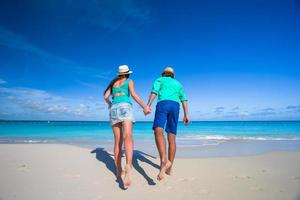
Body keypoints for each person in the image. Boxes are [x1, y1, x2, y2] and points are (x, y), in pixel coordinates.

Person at [104, 65, 151, 189]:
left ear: (119, 74)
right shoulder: (129, 81)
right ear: (127, 73)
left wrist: (110, 104)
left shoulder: (113, 83)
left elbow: (105, 97)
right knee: (128, 136)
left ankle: (118, 169)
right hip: (125, 106)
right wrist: (145, 107)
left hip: (114, 108)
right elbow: (134, 95)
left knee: (117, 141)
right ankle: (128, 165)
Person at [147, 66, 189, 181]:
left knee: (158, 130)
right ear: (172, 75)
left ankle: (163, 161)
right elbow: (184, 99)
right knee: (172, 137)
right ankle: (170, 168)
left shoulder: (159, 80)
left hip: (163, 104)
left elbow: (154, 92)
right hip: (175, 106)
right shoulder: (178, 83)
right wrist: (186, 115)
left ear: (163, 74)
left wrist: (148, 105)